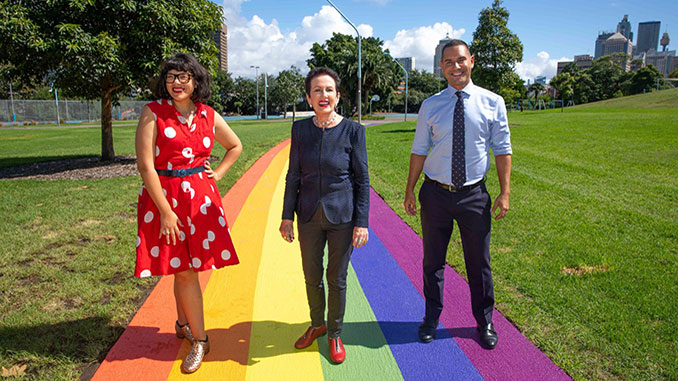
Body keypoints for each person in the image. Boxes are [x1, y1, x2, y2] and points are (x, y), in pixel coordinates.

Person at [134, 53, 242, 373]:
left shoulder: (208, 114)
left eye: (184, 76)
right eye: (171, 76)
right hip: (165, 199)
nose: (177, 83)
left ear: (196, 81)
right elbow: (145, 166)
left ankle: (183, 322)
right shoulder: (153, 112)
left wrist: (218, 174)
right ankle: (201, 340)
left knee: (186, 266)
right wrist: (166, 212)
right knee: (183, 269)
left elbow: (234, 146)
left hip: (201, 200)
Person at [403, 40, 512, 350]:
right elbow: (419, 150)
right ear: (441, 67)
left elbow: (503, 150)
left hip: (474, 196)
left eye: (460, 60)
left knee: (479, 263)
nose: (455, 66)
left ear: (472, 61)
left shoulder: (493, 102)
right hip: (435, 195)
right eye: (448, 61)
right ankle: (431, 318)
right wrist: (410, 189)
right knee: (433, 261)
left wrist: (505, 192)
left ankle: (484, 321)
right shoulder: (430, 105)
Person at [279, 67, 369, 364]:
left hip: (342, 216)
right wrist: (286, 216)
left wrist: (362, 222)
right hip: (307, 216)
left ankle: (334, 333)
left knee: (337, 278)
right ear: (308, 97)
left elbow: (362, 180)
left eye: (329, 90)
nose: (323, 95)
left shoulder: (353, 131)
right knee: (311, 276)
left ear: (338, 96)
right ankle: (317, 323)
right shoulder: (300, 130)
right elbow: (293, 174)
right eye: (317, 90)